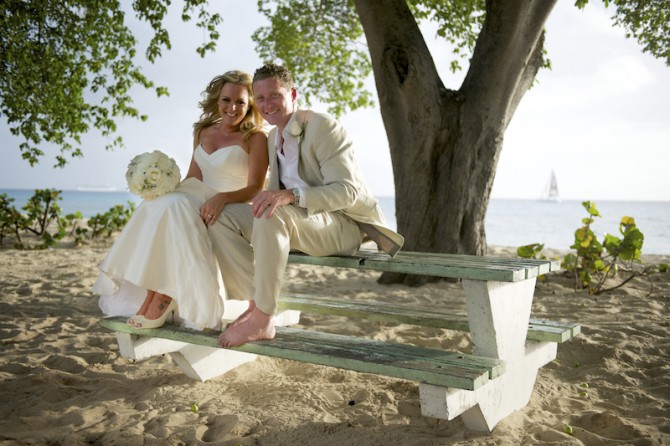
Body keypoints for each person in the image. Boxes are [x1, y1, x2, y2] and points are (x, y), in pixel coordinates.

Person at [210, 63, 404, 347]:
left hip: (342, 224)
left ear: (293, 94)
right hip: (299, 223)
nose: (267, 104)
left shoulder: (323, 127)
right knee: (222, 217)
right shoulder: (273, 136)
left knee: (272, 213)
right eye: (260, 98)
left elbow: (348, 191)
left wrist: (290, 196)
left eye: (274, 95)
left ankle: (264, 319)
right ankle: (254, 303)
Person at [93, 70, 268, 331]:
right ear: (217, 100)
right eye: (226, 100)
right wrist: (160, 189)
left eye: (240, 102)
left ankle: (163, 296)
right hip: (197, 193)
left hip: (232, 201)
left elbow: (256, 188)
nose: (232, 108)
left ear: (250, 104)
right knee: (157, 203)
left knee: (174, 206)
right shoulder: (202, 131)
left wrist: (222, 198)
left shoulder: (255, 138)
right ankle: (154, 293)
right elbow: (193, 177)